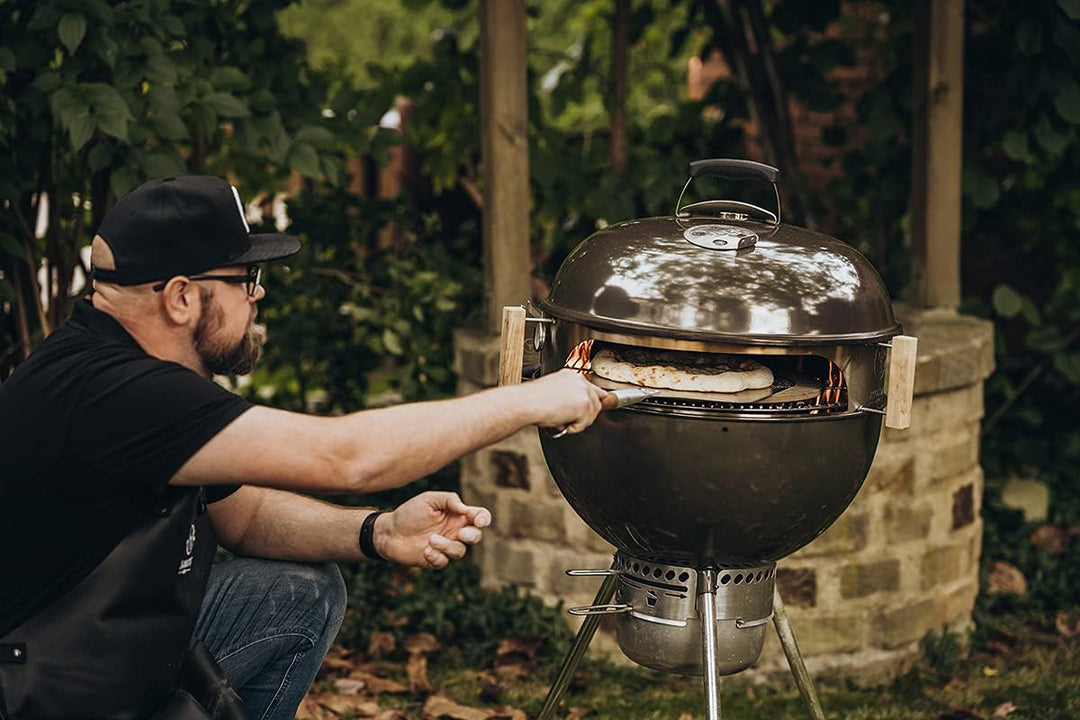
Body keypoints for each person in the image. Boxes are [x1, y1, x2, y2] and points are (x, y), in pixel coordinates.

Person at [0, 175, 609, 720]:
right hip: (46, 687)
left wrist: (379, 531)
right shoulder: (116, 395)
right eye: (245, 281)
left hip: (113, 654)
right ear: (181, 297)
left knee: (298, 593)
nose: (257, 296)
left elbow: (246, 517)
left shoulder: (133, 371)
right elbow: (346, 457)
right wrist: (533, 400)